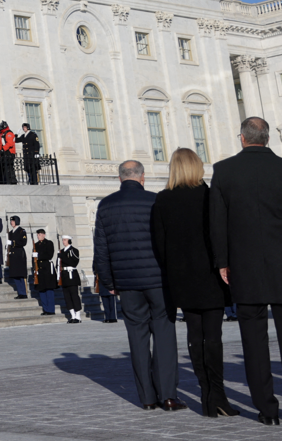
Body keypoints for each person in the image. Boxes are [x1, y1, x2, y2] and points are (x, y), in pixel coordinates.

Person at [210, 117, 282, 426]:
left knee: (254, 341)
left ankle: (266, 410)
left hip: (244, 267)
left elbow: (216, 222)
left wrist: (222, 261)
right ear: (268, 138)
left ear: (242, 139)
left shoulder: (224, 171)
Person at [152, 147, 234, 418]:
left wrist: (173, 269)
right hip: (211, 276)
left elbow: (159, 245)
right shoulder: (210, 196)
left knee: (195, 336)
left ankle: (206, 392)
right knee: (214, 337)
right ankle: (217, 395)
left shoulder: (163, 200)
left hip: (182, 278)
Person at [95, 158, 183, 411]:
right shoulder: (156, 200)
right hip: (158, 280)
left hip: (127, 282)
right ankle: (168, 395)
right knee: (165, 337)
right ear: (142, 177)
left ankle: (146, 398)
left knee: (137, 339)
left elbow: (102, 249)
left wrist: (109, 282)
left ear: (120, 178)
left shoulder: (106, 205)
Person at [59, 236, 83, 323]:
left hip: (72, 275)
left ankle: (78, 316)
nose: (63, 241)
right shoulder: (61, 251)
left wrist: (63, 257)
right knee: (67, 297)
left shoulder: (74, 250)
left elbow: (74, 262)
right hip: (64, 275)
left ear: (69, 240)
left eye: (65, 240)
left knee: (74, 295)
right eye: (63, 240)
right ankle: (72, 315)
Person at [33, 230, 57, 315]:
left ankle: (51, 309)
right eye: (37, 234)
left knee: (49, 289)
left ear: (44, 235)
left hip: (47, 268)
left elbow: (49, 255)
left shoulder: (49, 243)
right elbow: (34, 260)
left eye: (39, 234)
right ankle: (45, 309)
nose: (38, 236)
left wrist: (38, 255)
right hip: (39, 269)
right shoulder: (35, 245)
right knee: (41, 289)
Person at [6, 215, 28, 298]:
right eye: (11, 221)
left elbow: (23, 242)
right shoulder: (11, 233)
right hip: (13, 255)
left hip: (19, 255)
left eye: (13, 221)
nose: (11, 222)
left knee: (21, 275)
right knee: (15, 275)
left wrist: (13, 243)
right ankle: (20, 292)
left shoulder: (21, 231)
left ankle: (24, 293)